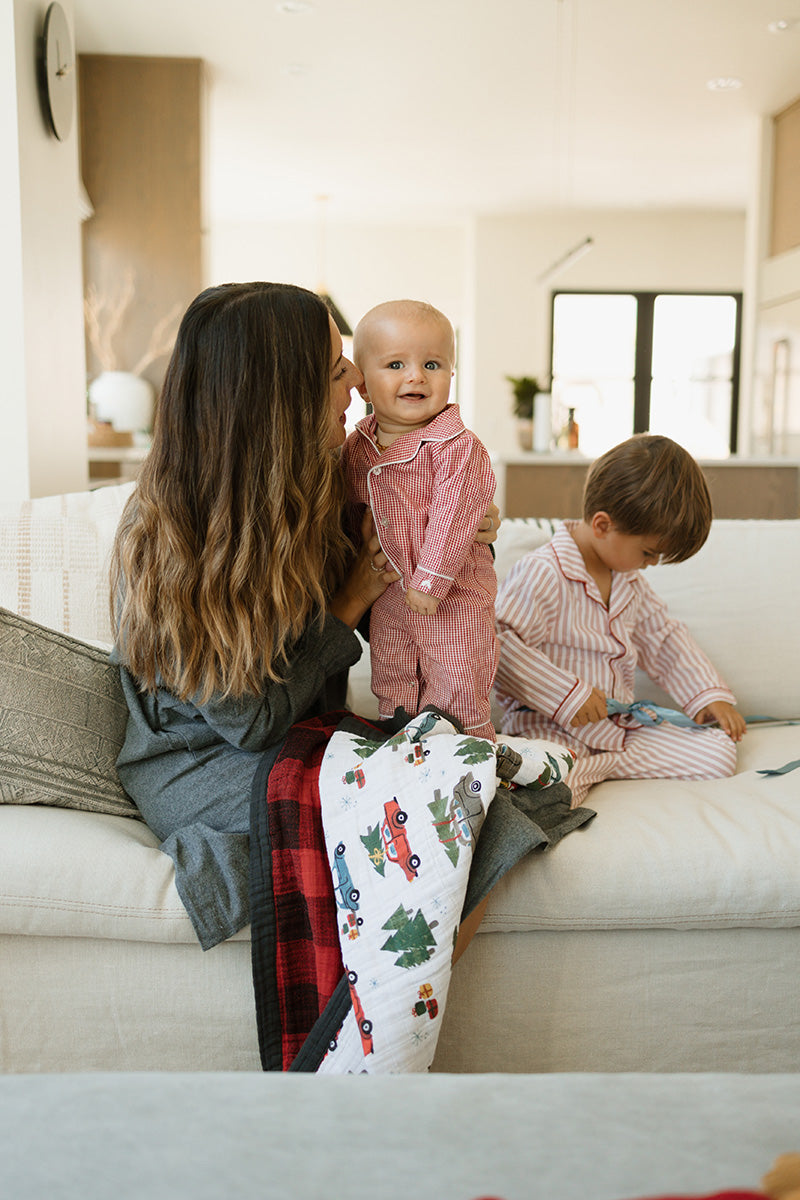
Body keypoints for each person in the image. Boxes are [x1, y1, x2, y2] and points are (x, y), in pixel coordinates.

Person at [109, 282, 501, 952]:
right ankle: (370, 1018)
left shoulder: (312, 485)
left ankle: (398, 1003)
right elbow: (251, 722)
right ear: (279, 401)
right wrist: (347, 602)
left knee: (477, 805)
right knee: (445, 822)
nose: (355, 378)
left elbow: (407, 615)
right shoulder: (178, 535)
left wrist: (459, 541)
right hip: (207, 768)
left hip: (301, 738)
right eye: (333, 369)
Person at [493, 434, 746, 808]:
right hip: (549, 729)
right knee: (549, 779)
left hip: (617, 734)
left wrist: (709, 696)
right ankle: (566, 772)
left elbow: (664, 640)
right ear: (601, 525)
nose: (652, 564)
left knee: (718, 754)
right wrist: (566, 694)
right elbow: (499, 646)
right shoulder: (543, 572)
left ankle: (594, 768)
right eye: (648, 552)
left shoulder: (629, 583)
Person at [341, 299, 497, 740]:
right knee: (393, 673)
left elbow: (454, 516)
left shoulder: (457, 447)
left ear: (451, 374)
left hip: (453, 596)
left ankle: (468, 751)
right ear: (365, 386)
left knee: (457, 679)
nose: (416, 376)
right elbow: (350, 512)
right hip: (389, 596)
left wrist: (430, 579)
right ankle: (401, 742)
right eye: (395, 364)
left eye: (433, 363)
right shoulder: (357, 448)